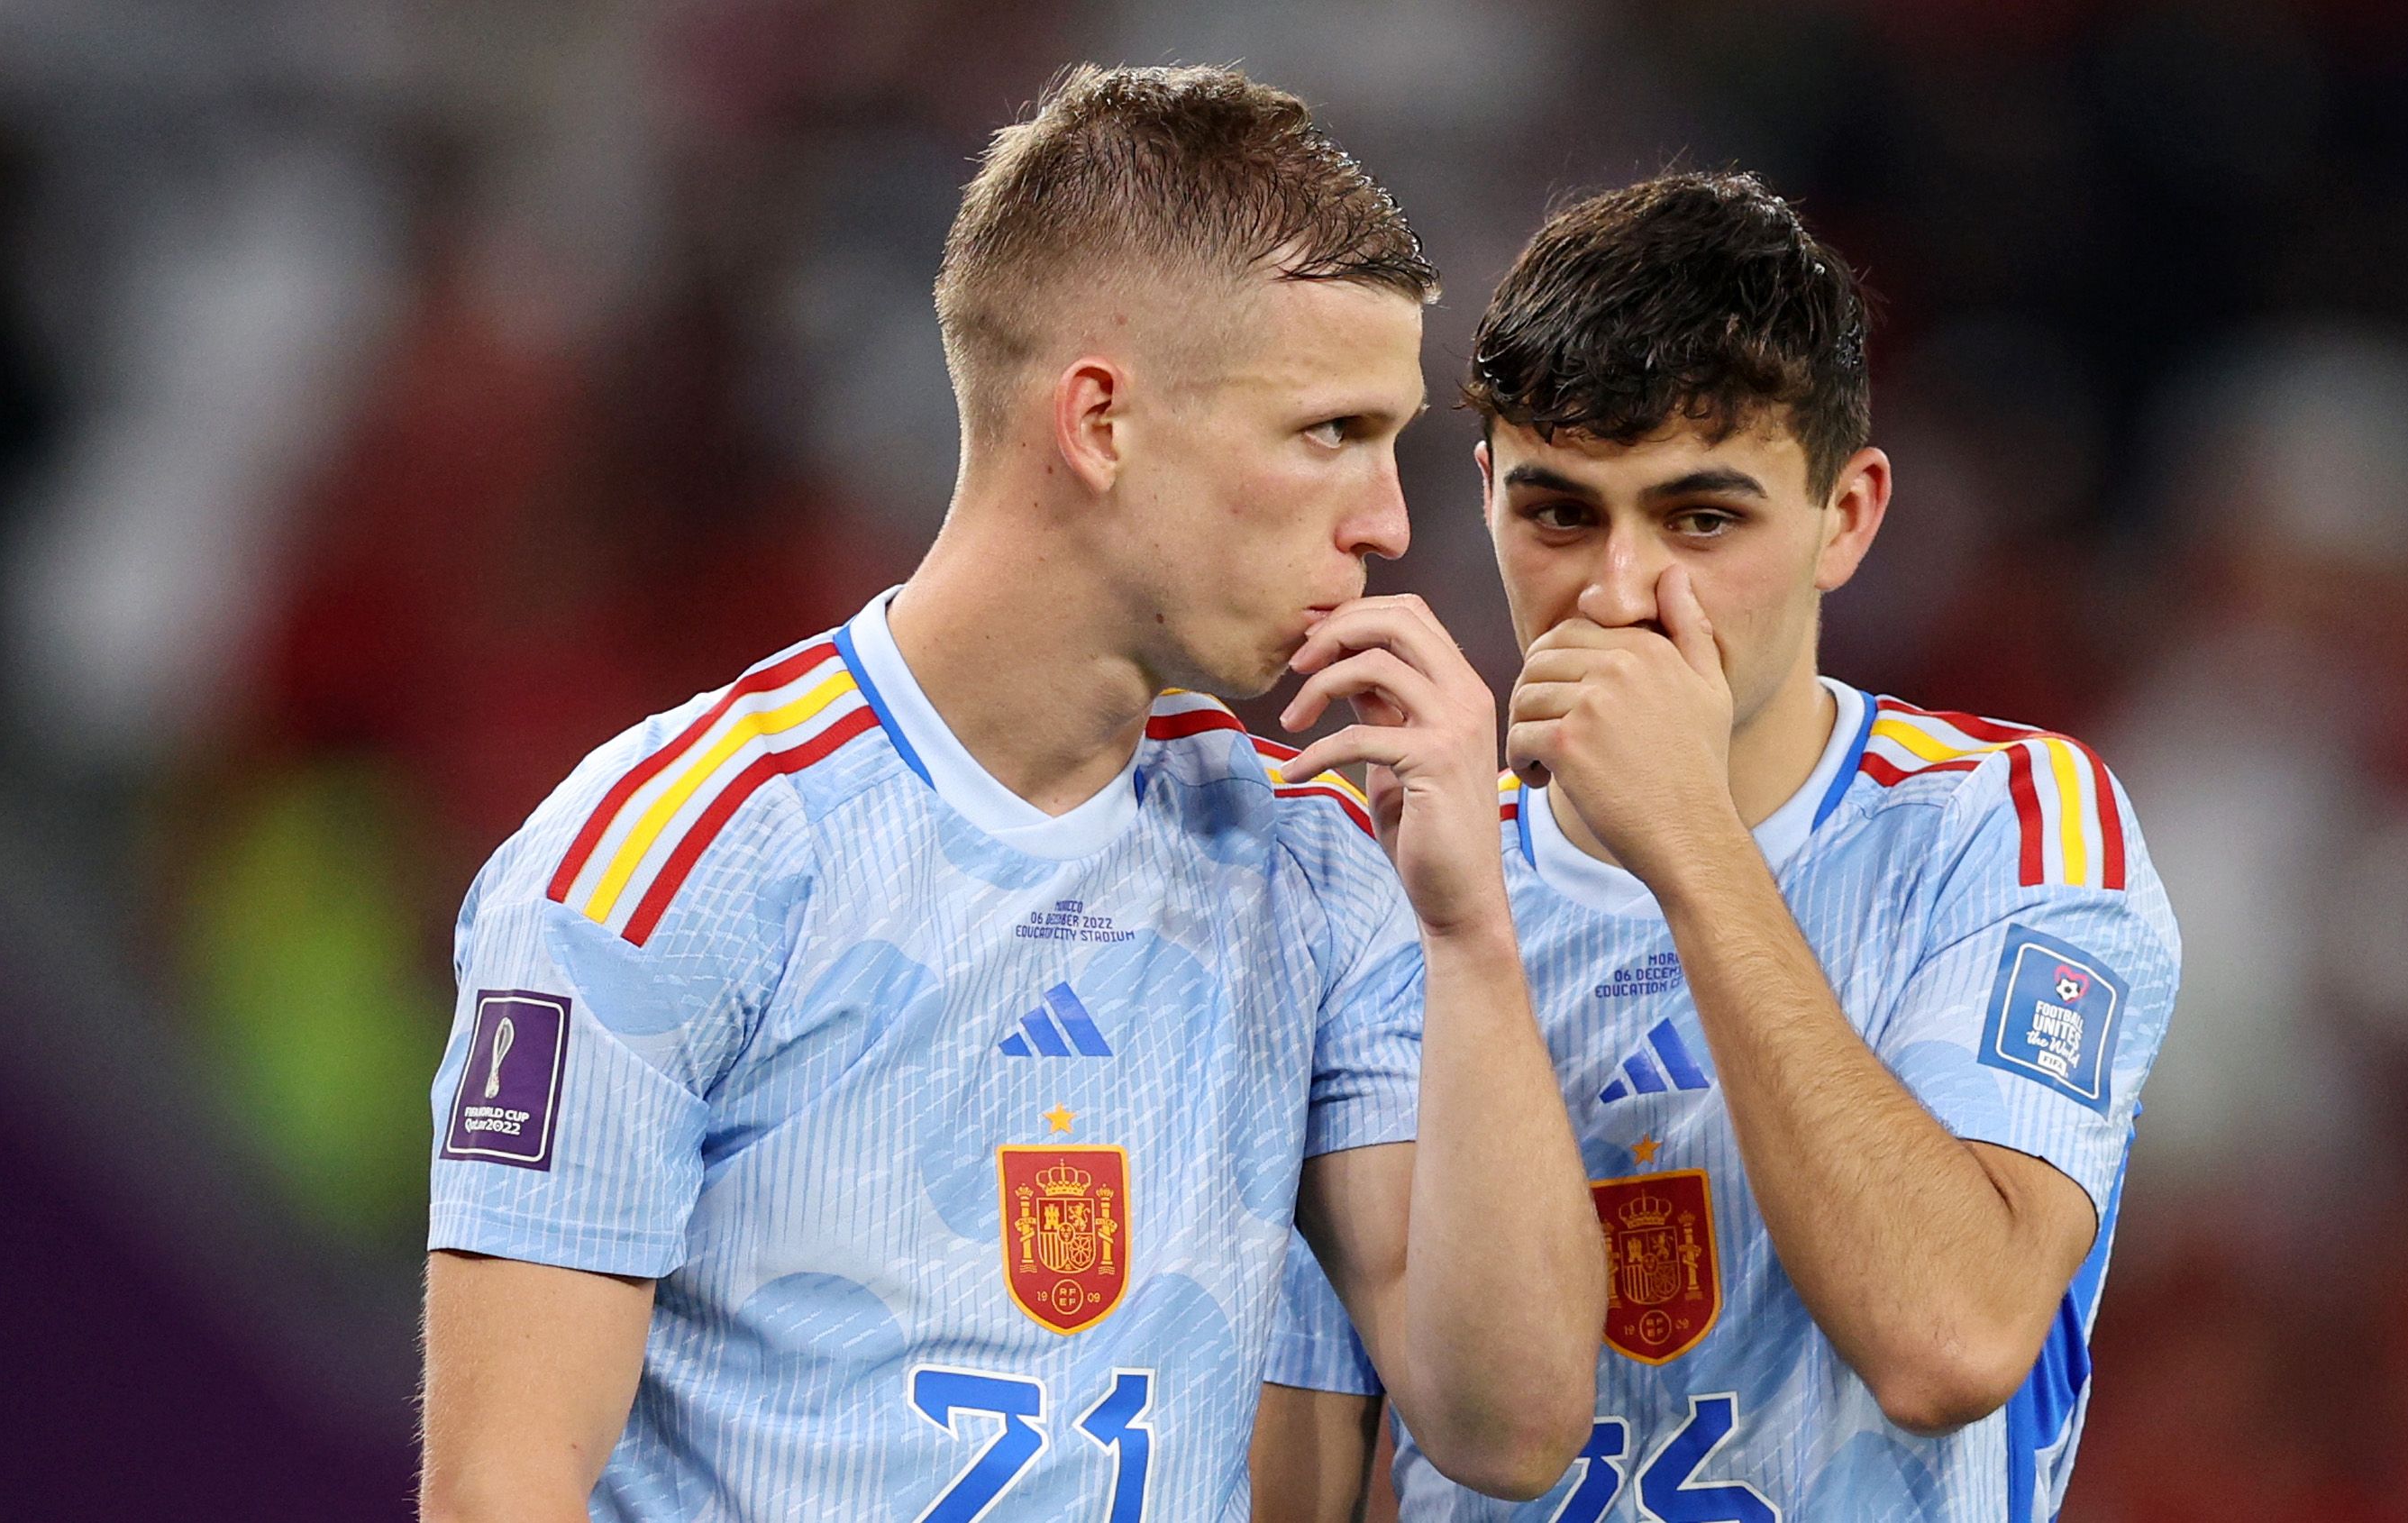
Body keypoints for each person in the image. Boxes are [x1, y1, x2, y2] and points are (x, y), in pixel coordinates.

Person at [417, 64, 1603, 1523]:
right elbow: (500, 1494)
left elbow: (1516, 1423)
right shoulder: (669, 864)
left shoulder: (1311, 858)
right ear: (1101, 422)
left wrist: (1473, 925)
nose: (1387, 520)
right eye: (1328, 434)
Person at [1253, 172, 2181, 1521]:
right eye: (1559, 511)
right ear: (1486, 495)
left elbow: (1953, 1340)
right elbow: (1307, 1462)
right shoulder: (1379, 873)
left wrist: (1686, 833)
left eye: (1702, 517)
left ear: (1845, 517)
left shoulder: (2008, 823)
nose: (1620, 594)